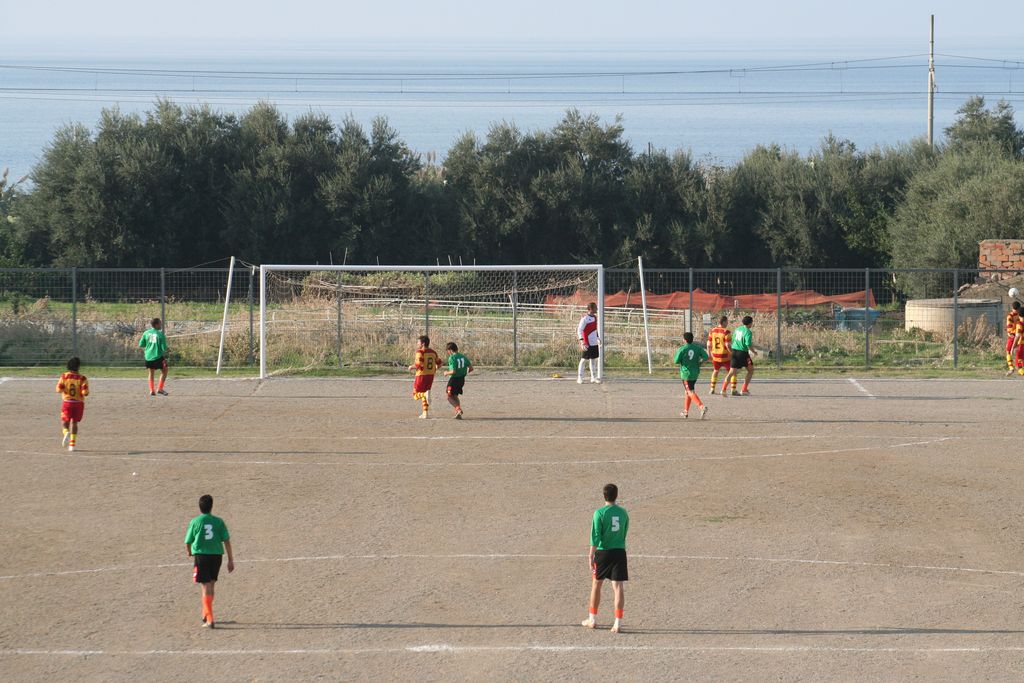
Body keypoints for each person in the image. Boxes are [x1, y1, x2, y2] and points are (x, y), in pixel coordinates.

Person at [582, 483, 629, 633]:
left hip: (603, 553)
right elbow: (624, 531)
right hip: (619, 551)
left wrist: (591, 555)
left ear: (604, 495)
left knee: (596, 584)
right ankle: (617, 623)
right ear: (616, 495)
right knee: (618, 587)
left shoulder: (599, 513)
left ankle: (592, 619)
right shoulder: (623, 513)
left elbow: (596, 535)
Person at [184, 494, 234, 629]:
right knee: (211, 585)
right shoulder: (219, 521)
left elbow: (188, 541)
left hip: (202, 556)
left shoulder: (195, 521)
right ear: (212, 506)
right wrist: (230, 560)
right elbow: (226, 540)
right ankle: (205, 612)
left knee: (205, 586)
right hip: (216, 556)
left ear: (199, 507)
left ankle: (210, 619)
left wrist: (189, 552)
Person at [56, 357, 89, 452]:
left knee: (65, 422)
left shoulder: (64, 376)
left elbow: (58, 390)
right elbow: (85, 393)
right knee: (74, 423)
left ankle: (66, 432)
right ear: (78, 366)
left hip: (67, 403)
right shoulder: (83, 378)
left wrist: (65, 389)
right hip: (78, 404)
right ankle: (72, 445)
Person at [674, 332, 709, 419]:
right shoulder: (698, 348)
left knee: (690, 391)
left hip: (686, 374)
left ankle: (701, 406)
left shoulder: (682, 349)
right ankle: (685, 411)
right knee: (688, 391)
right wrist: (700, 362)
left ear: (684, 340)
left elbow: (676, 361)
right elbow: (706, 356)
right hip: (695, 372)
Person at [721, 315, 758, 396]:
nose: (752, 324)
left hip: (734, 352)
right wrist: (754, 352)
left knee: (731, 372)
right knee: (751, 370)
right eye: (752, 322)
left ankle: (723, 389)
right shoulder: (748, 332)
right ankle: (744, 390)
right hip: (743, 353)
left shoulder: (737, 329)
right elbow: (748, 344)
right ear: (750, 323)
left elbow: (733, 339)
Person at [408, 335, 440, 418]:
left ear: (423, 343)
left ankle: (425, 395)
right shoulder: (433, 352)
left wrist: (411, 367)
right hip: (430, 376)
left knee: (415, 395)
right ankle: (425, 413)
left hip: (421, 376)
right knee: (425, 393)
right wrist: (435, 368)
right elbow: (440, 363)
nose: (417, 343)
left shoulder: (420, 352)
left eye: (418, 342)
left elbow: (419, 365)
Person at [139, 318, 169, 396]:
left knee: (151, 373)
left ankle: (152, 390)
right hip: (158, 356)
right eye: (160, 323)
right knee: (165, 371)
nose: (161, 325)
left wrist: (149, 345)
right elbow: (164, 348)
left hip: (148, 356)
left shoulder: (146, 333)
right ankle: (160, 389)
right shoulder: (160, 334)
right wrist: (168, 350)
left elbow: (141, 344)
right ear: (156, 325)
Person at [443, 342, 473, 419]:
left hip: (454, 380)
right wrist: (463, 373)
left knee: (449, 396)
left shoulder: (452, 358)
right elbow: (471, 368)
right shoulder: (463, 357)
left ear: (450, 350)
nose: (448, 353)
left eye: (447, 351)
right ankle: (458, 413)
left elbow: (453, 371)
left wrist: (446, 373)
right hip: (461, 379)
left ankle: (458, 409)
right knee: (455, 395)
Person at [706, 315, 731, 393]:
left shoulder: (712, 331)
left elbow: (708, 344)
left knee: (716, 371)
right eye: (727, 322)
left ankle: (712, 389)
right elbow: (727, 345)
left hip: (715, 355)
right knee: (731, 372)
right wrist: (732, 353)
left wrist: (709, 354)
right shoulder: (726, 332)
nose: (727, 323)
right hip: (725, 356)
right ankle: (733, 389)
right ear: (724, 322)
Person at [577, 302, 601, 384]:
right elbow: (579, 330)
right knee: (583, 360)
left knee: (593, 360)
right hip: (587, 342)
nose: (596, 309)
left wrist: (598, 338)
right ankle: (580, 377)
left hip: (594, 342)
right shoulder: (585, 319)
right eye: (595, 308)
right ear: (590, 309)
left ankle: (593, 377)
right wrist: (582, 341)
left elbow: (595, 329)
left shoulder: (595, 317)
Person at [1005, 301, 1021, 376]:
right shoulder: (1021, 314)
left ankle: (1011, 368)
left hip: (1013, 336)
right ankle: (1019, 367)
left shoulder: (1010, 316)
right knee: (1019, 352)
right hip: (1021, 335)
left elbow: (1009, 328)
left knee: (1008, 351)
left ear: (1012, 308)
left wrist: (1009, 332)